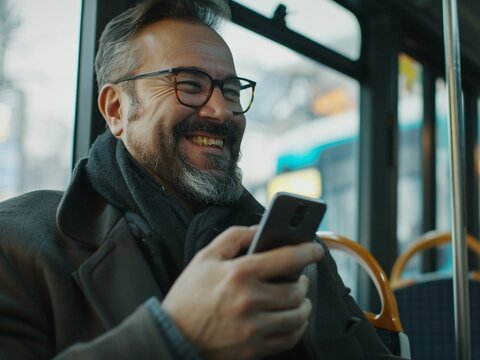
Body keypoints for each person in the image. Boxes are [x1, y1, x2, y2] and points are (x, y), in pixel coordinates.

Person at [0, 0, 405, 359]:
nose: (220, 111)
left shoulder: (291, 247)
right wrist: (175, 338)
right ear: (116, 110)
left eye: (230, 91)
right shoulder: (17, 244)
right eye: (189, 85)